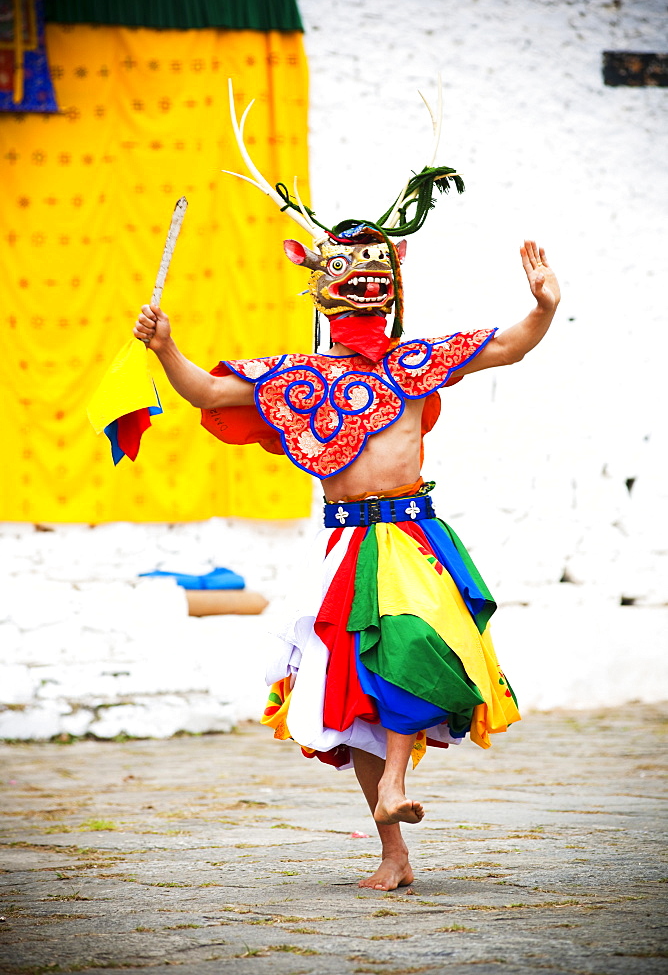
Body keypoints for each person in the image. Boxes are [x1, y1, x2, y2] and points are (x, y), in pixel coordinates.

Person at [133, 231, 560, 892]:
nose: (363, 287)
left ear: (393, 289)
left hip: (411, 539)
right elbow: (210, 396)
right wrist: (166, 348)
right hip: (344, 551)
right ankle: (393, 850)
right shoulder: (296, 379)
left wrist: (543, 308)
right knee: (355, 707)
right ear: (321, 289)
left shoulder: (416, 362)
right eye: (348, 272)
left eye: (374, 273)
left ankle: (394, 782)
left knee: (413, 647)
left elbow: (509, 345)